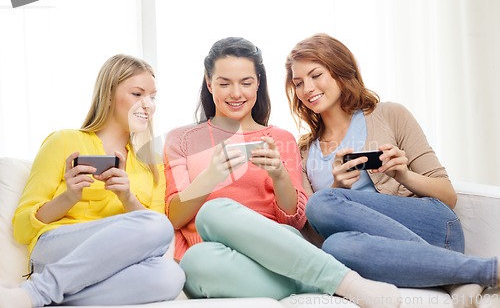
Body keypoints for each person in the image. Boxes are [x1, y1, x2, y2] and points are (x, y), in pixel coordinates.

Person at [164, 36, 401, 308]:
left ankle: (346, 282)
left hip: (282, 245)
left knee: (214, 210)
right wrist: (210, 177)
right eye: (224, 83)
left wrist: (279, 175)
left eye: (246, 82)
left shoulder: (281, 139)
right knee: (195, 258)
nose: (236, 93)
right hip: (214, 256)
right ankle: (315, 279)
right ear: (209, 83)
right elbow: (173, 217)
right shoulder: (180, 139)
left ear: (258, 84)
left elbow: (295, 220)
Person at [284, 33, 499, 308]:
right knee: (334, 247)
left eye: (316, 75)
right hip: (381, 250)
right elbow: (314, 233)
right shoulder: (303, 151)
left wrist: (403, 175)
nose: (307, 88)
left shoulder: (390, 115)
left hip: (434, 227)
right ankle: (460, 273)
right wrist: (338, 188)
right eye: (298, 83)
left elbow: (447, 194)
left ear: (339, 71)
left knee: (322, 201)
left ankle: (479, 270)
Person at [0, 54, 185, 308]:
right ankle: (40, 290)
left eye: (152, 97)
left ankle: (39, 294)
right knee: (159, 225)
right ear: (109, 95)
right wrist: (68, 198)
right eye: (137, 94)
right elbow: (22, 228)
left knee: (170, 276)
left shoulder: (151, 165)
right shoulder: (63, 141)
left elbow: (156, 241)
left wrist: (127, 198)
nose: (148, 105)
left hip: (110, 265)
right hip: (57, 247)